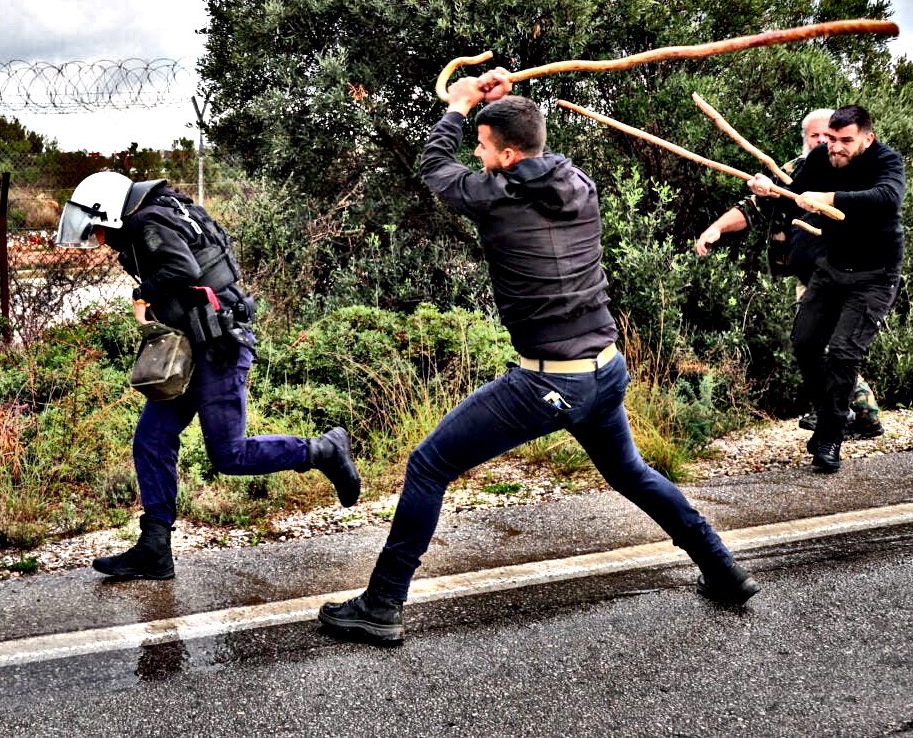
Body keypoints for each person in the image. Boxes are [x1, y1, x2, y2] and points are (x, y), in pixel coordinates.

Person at [318, 70, 760, 645]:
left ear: (503, 154)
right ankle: (722, 568)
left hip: (551, 383)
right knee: (630, 471)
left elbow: (433, 167)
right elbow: (532, 152)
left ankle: (380, 605)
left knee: (428, 465)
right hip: (605, 368)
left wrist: (458, 106)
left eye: (481, 147)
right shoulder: (579, 183)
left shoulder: (497, 198)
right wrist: (500, 105)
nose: (475, 156)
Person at [55, 172, 361, 580]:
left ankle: (323, 449)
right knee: (153, 437)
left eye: (98, 228)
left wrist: (141, 294)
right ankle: (154, 548)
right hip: (193, 343)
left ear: (110, 210)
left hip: (219, 345)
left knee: (229, 455)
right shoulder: (162, 211)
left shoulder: (148, 222)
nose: (99, 238)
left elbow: (181, 268)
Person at [694, 109, 885, 438]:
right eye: (816, 136)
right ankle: (846, 414)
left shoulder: (858, 170)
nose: (824, 142)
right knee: (814, 344)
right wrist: (717, 228)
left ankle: (858, 415)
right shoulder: (794, 171)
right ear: (805, 139)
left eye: (830, 136)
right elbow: (753, 207)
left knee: (833, 347)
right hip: (810, 278)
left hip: (853, 276)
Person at [746, 105, 904, 473]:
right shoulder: (821, 156)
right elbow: (795, 192)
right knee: (804, 342)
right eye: (831, 139)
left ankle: (831, 434)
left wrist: (829, 198)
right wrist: (768, 190)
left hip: (875, 275)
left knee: (845, 354)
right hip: (832, 269)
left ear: (868, 137)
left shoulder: (887, 162)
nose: (836, 147)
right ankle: (831, 411)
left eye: (845, 141)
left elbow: (887, 199)